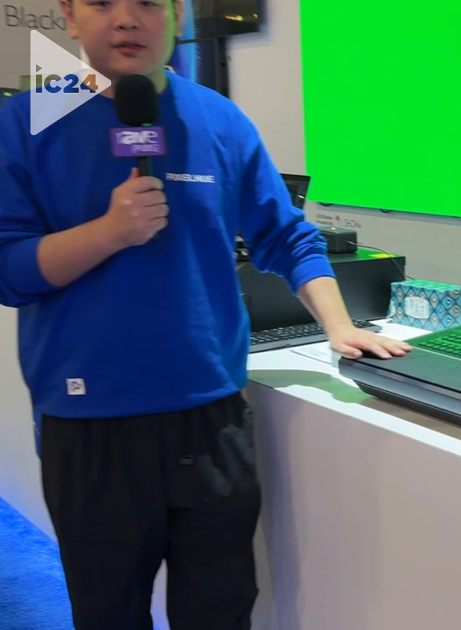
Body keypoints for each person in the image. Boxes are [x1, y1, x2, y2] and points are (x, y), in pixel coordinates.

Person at [0, 1, 411, 628]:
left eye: (147, 2)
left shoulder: (219, 119)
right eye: (102, 2)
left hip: (211, 419)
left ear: (177, 15)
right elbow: (10, 271)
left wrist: (339, 325)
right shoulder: (30, 118)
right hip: (89, 423)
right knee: (108, 612)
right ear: (71, 17)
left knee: (219, 611)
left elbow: (286, 236)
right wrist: (109, 232)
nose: (126, 19)